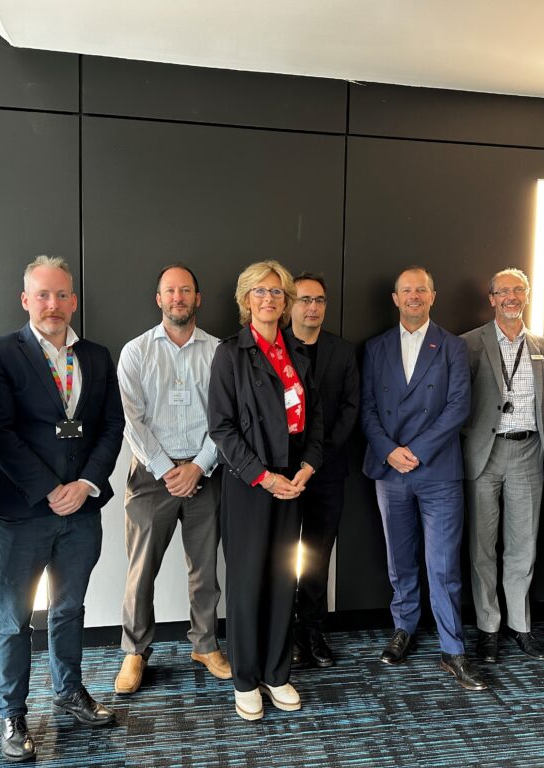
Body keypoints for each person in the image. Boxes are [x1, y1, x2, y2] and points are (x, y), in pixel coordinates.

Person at [0, 256, 124, 761]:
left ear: (74, 301)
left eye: (61, 295)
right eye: (42, 295)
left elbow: (111, 428)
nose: (52, 305)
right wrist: (48, 489)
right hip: (23, 510)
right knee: (14, 617)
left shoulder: (98, 357)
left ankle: (69, 690)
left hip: (82, 508)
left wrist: (84, 484)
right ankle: (12, 713)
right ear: (25, 300)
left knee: (69, 608)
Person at [208, 260, 323, 720]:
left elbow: (313, 420)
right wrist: (263, 475)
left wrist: (308, 466)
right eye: (261, 291)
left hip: (293, 481)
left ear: (287, 301)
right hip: (251, 484)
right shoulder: (229, 353)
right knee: (247, 581)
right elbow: (222, 427)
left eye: (278, 292)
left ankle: (277, 672)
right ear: (246, 299)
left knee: (282, 578)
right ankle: (245, 678)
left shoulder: (297, 351)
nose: (270, 299)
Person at [361, 266, 485, 691]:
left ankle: (453, 650)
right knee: (399, 559)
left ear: (433, 296)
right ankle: (405, 628)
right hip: (390, 469)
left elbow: (458, 407)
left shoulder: (452, 347)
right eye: (406, 290)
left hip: (438, 470)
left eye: (421, 290)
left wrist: (417, 450)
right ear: (395, 298)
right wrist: (390, 451)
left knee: (444, 564)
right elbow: (366, 410)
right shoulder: (375, 348)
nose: (413, 296)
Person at [115, 263, 230, 694]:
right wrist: (168, 470)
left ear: (198, 299)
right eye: (170, 291)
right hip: (150, 476)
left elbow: (225, 419)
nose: (178, 297)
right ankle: (134, 651)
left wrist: (199, 465)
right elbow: (133, 421)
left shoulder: (220, 352)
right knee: (141, 570)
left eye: (186, 290)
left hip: (206, 472)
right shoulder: (136, 352)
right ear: (158, 299)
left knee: (204, 568)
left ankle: (205, 644)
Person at [461, 267, 544, 663]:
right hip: (485, 452)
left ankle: (521, 625)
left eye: (518, 290)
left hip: (529, 452)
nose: (511, 297)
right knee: (482, 548)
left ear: (528, 296)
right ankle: (488, 627)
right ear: (492, 298)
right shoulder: (468, 344)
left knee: (523, 547)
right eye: (503, 291)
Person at [286, 272, 360, 668]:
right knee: (281, 555)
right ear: (289, 304)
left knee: (316, 555)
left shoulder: (342, 351)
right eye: (303, 300)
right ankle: (285, 634)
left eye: (319, 300)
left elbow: (351, 408)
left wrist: (318, 459)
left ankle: (312, 632)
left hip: (327, 472)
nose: (312, 307)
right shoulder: (274, 347)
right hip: (281, 475)